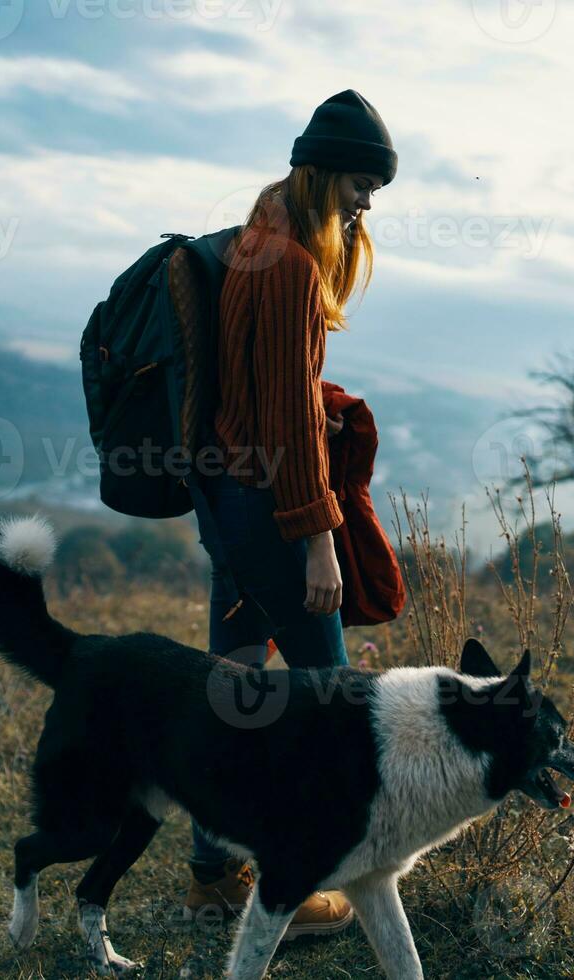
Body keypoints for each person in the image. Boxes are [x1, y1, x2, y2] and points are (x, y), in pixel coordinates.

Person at [182, 89, 397, 940]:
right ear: (324, 172)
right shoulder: (293, 269)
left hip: (232, 504)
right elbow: (287, 425)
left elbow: (272, 395)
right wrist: (320, 542)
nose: (369, 202)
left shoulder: (256, 238)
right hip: (271, 512)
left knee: (231, 694)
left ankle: (212, 879)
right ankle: (296, 882)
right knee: (332, 702)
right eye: (361, 183)